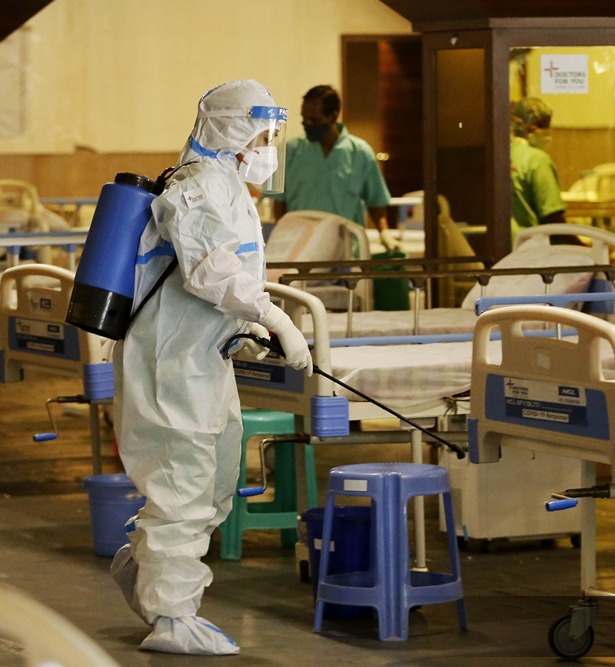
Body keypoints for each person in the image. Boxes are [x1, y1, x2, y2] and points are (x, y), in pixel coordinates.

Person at [109, 79, 312, 656]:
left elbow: (212, 284)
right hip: (169, 363)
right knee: (183, 485)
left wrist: (243, 328)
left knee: (217, 481)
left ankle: (148, 569)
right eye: (264, 133)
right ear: (231, 129)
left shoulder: (229, 187)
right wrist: (276, 317)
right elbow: (211, 273)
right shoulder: (197, 186)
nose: (269, 146)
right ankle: (172, 616)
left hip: (202, 358)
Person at [269, 85, 392, 237]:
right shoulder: (291, 151)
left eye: (314, 120)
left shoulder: (359, 153)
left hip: (345, 246)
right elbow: (279, 201)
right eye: (304, 118)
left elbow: (376, 202)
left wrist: (385, 234)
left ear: (334, 116)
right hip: (300, 244)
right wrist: (283, 234)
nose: (307, 124)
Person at [509, 96, 566, 242]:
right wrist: (584, 248)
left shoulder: (500, 155)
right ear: (528, 127)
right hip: (530, 250)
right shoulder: (537, 160)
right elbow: (553, 220)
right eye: (543, 125)